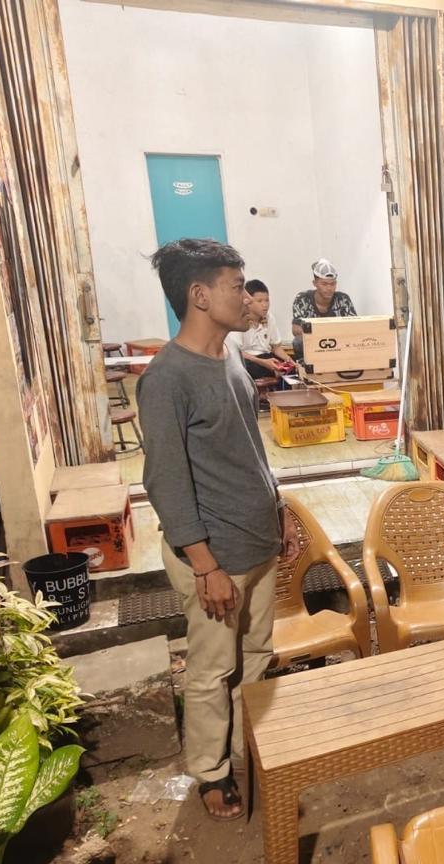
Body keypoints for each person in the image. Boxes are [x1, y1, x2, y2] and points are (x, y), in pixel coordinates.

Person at [138, 238, 298, 821]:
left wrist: (278, 507)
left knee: (255, 655)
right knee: (211, 671)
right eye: (236, 287)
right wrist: (204, 565)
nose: (248, 299)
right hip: (216, 558)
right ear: (199, 295)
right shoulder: (167, 378)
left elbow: (250, 447)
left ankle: (245, 749)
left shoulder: (229, 356)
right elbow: (165, 481)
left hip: (256, 542)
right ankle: (211, 771)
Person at [228, 279, 294, 382]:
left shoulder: (269, 318)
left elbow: (276, 348)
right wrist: (262, 362)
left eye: (267, 300)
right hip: (249, 359)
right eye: (260, 301)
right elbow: (236, 352)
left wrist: (290, 361)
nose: (265, 305)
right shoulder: (238, 319)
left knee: (290, 367)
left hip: (267, 357)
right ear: (248, 302)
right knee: (246, 367)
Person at [290, 258, 356, 360]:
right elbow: (296, 330)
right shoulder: (302, 299)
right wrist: (322, 335)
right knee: (298, 342)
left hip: (339, 343)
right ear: (315, 283)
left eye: (332, 284)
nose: (329, 288)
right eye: (324, 284)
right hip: (314, 342)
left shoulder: (343, 299)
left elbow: (354, 326)